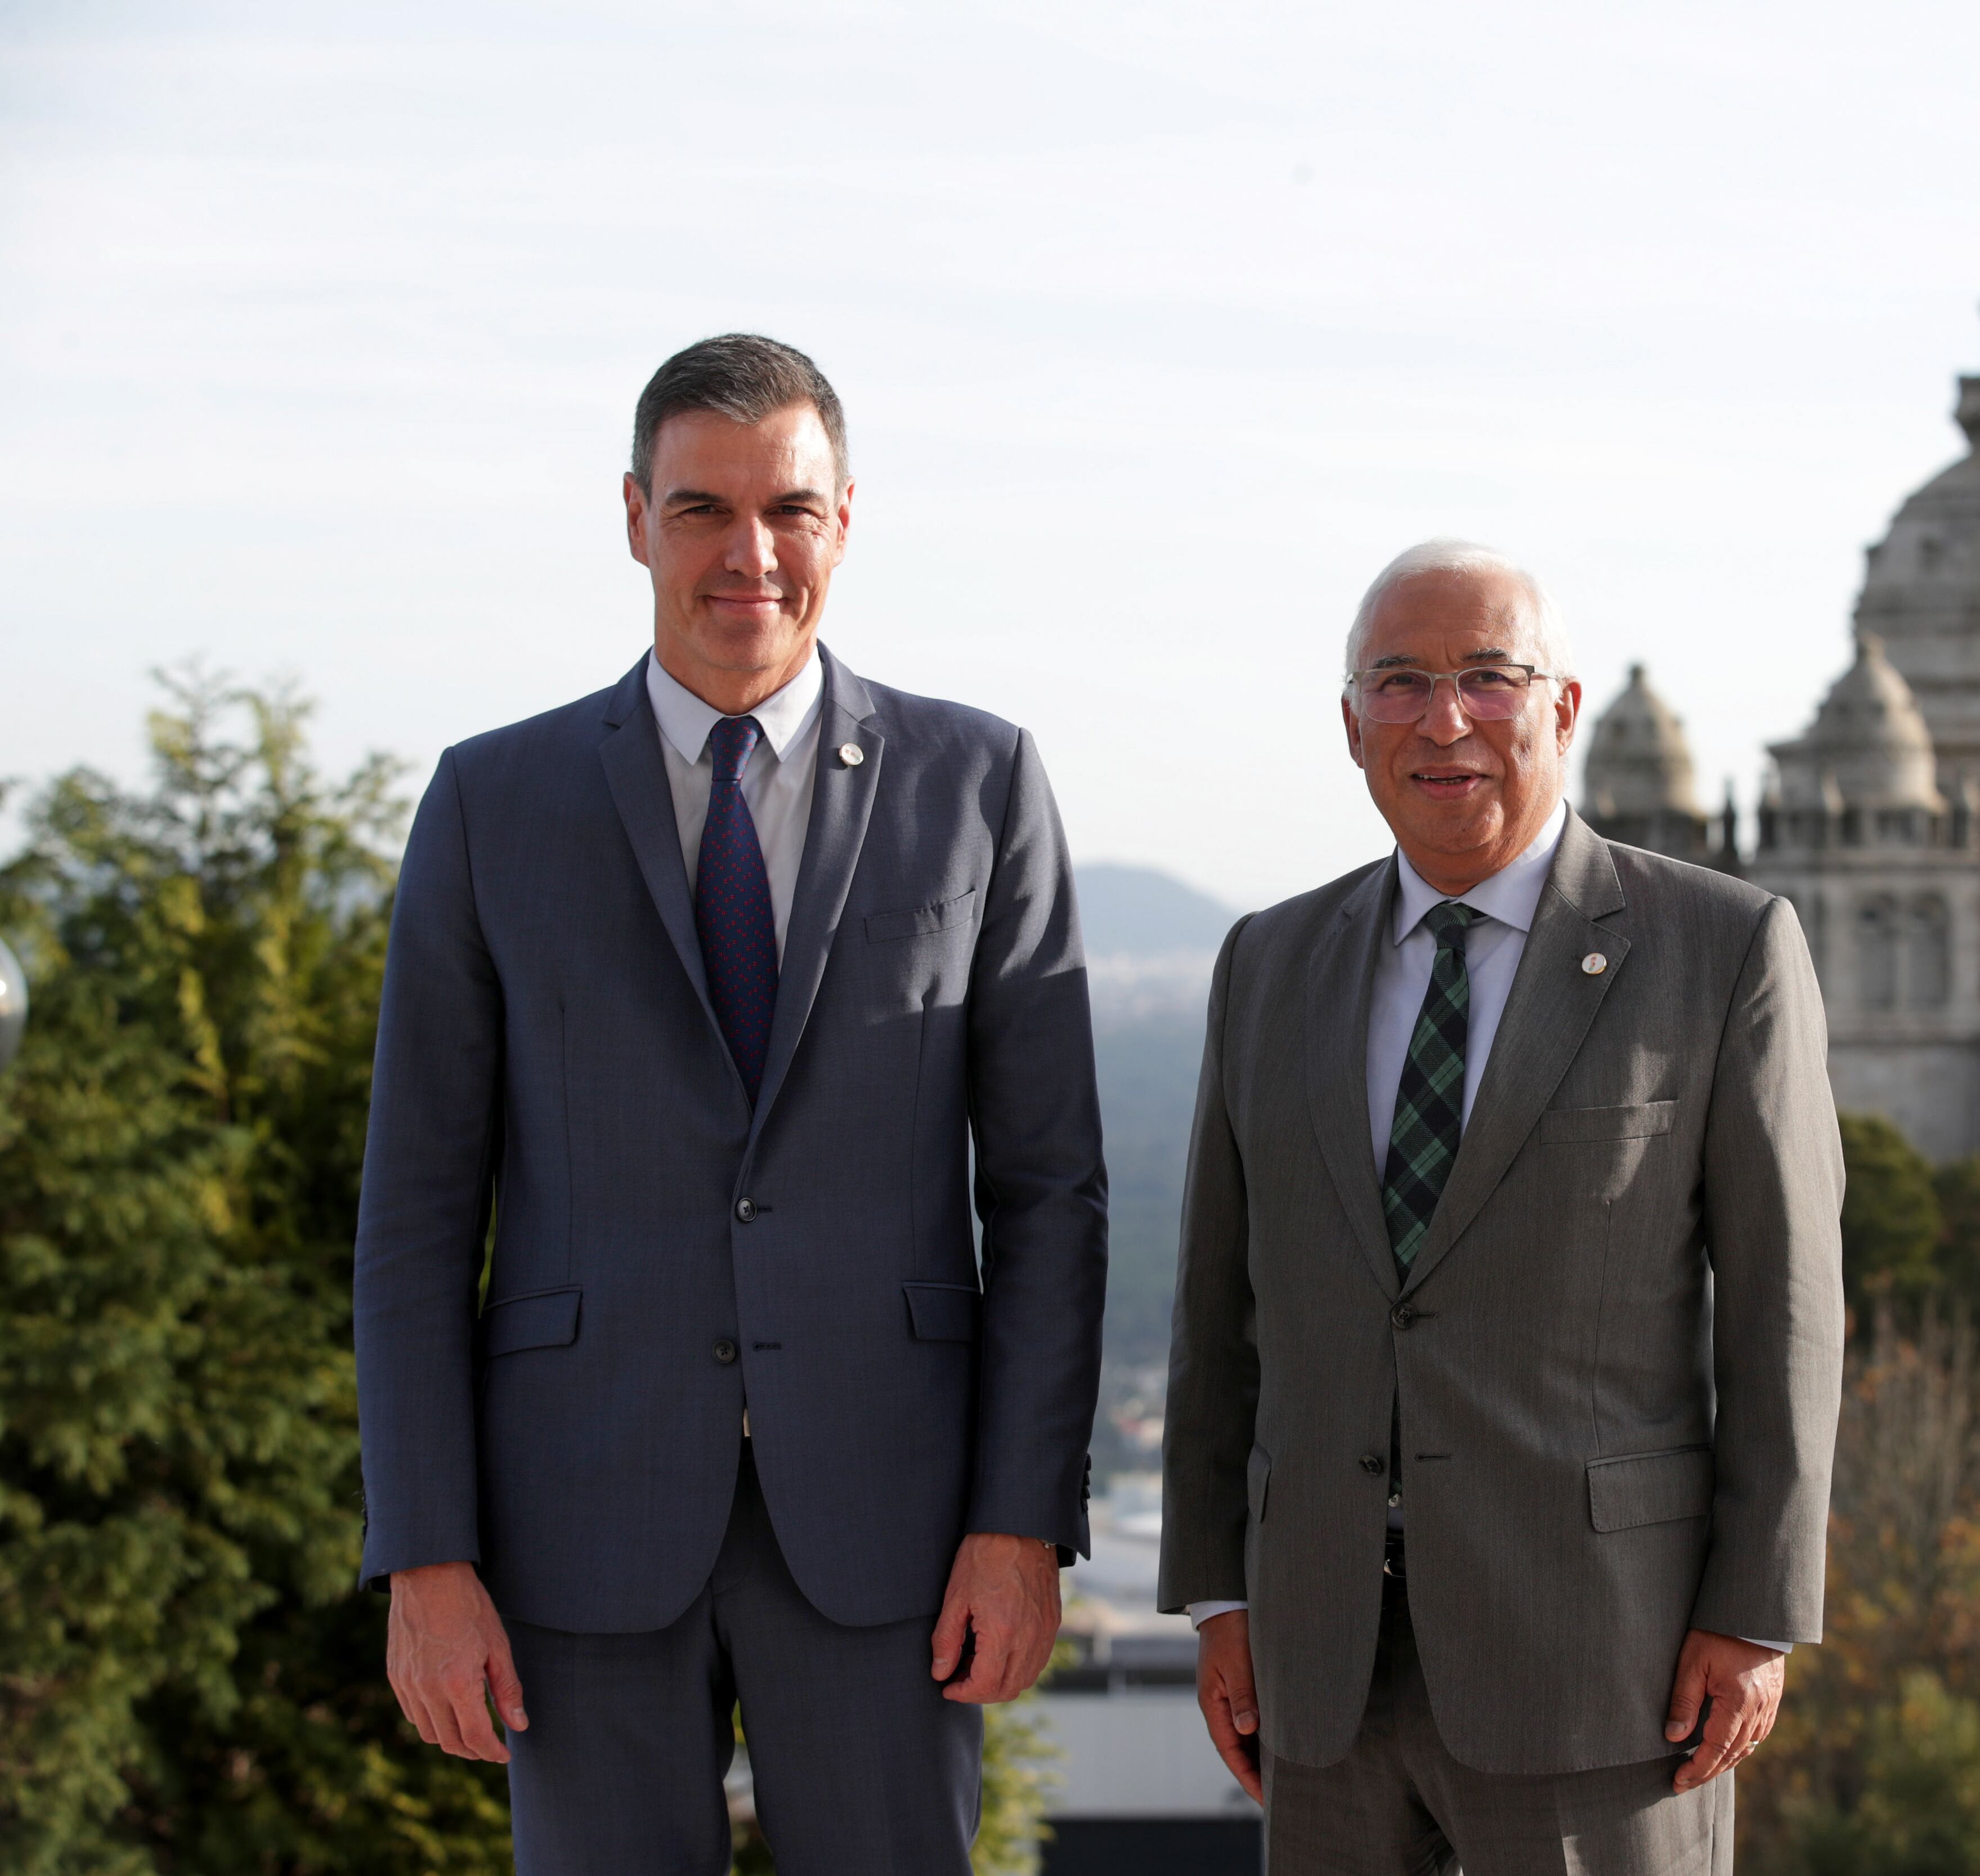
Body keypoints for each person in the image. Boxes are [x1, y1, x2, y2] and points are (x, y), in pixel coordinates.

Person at [353, 334, 1107, 1874]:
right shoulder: (492, 803)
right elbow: (419, 1209)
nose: (748, 553)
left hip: (897, 1523)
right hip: (577, 1515)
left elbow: (1048, 1192)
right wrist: (424, 1551)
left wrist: (1022, 1518)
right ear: (635, 517)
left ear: (845, 520)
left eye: (790, 509)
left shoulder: (981, 781)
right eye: (703, 508)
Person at [1157, 541, 1845, 1874]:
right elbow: (1217, 1311)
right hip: (1321, 1664)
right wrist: (1217, 1593)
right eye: (1402, 682)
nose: (1445, 719)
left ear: (1563, 708)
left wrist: (1756, 1617)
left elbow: (1786, 1313)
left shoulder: (1719, 948)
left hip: (1611, 1660)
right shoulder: (1268, 961)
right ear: (1351, 721)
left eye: (1488, 677)